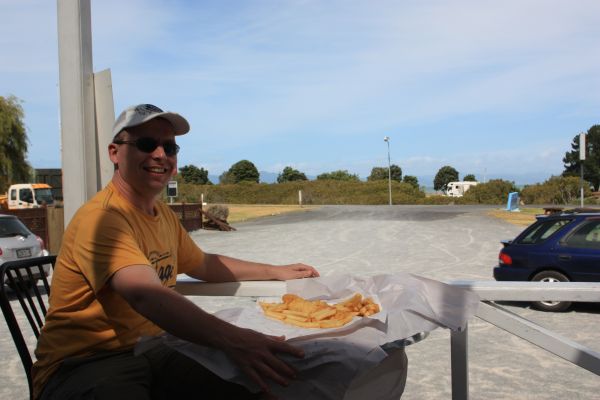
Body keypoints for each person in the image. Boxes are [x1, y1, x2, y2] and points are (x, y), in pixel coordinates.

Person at [32, 103, 320, 400]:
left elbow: (203, 264)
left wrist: (274, 271)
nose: (160, 155)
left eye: (170, 147)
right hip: (86, 362)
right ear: (114, 153)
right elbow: (146, 294)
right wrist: (236, 340)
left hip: (151, 350)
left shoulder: (162, 214)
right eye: (146, 144)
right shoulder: (102, 218)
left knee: (260, 386)